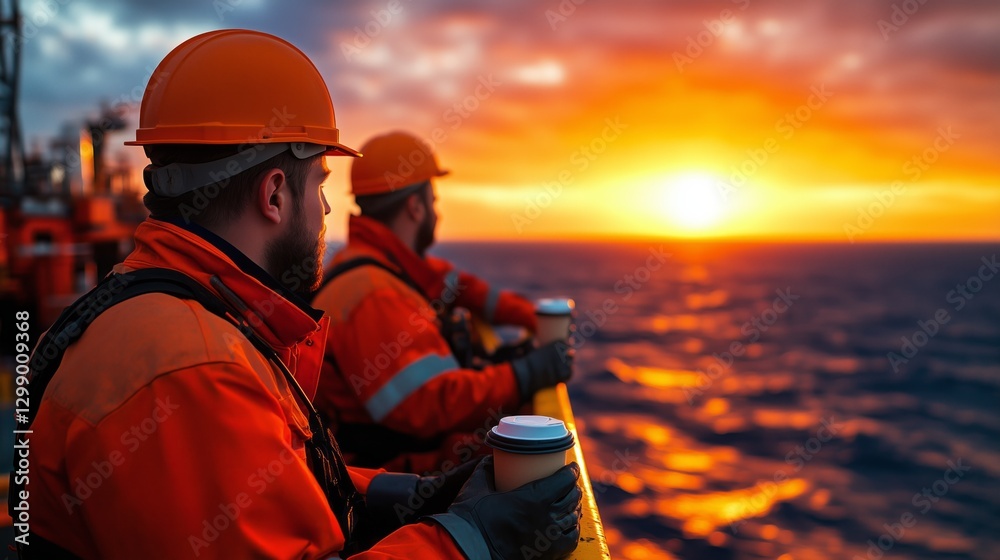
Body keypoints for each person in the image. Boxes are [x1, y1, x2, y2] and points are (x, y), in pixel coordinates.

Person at [13, 30, 580, 560]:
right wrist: (468, 539)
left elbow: (279, 472)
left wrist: (413, 494)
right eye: (321, 187)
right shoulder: (190, 367)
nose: (328, 211)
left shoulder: (175, 313)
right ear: (276, 195)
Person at [310, 131, 574, 474]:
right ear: (415, 207)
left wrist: (531, 319)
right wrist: (526, 373)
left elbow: (461, 286)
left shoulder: (379, 263)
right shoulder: (375, 294)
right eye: (433, 201)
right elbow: (430, 403)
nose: (438, 211)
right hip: (386, 483)